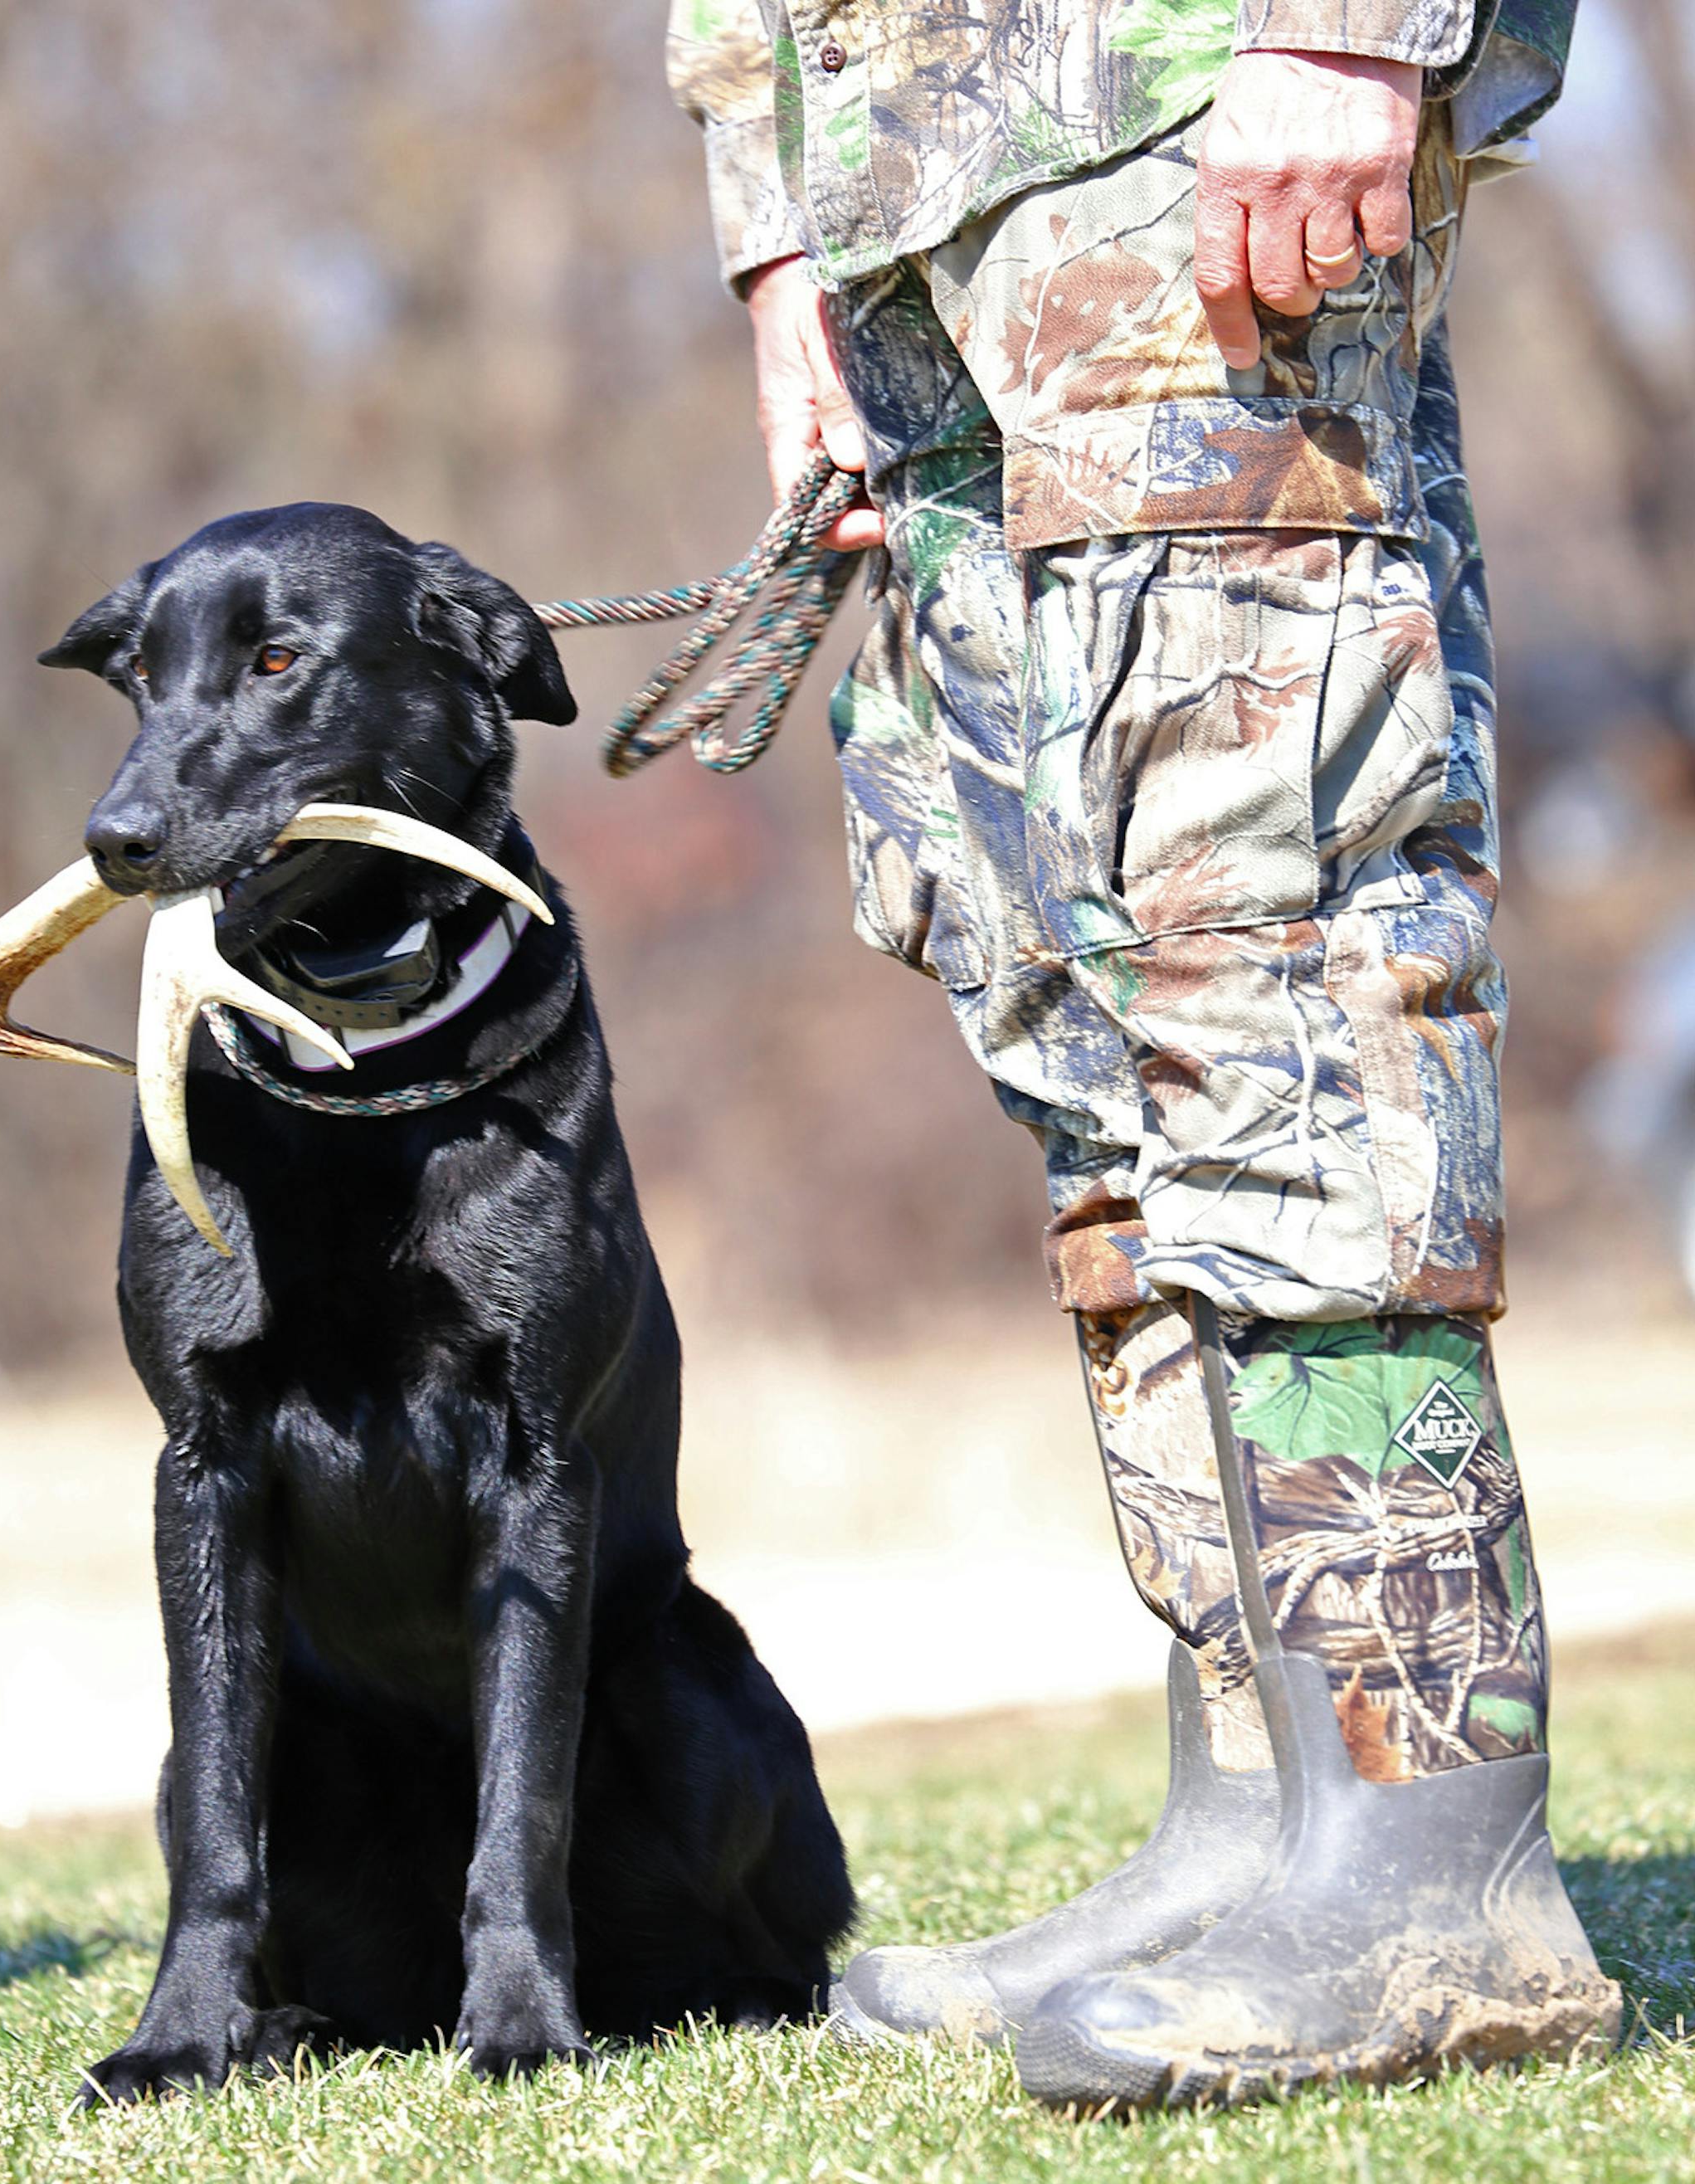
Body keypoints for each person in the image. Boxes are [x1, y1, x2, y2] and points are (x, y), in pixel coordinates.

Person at [668, 0, 1620, 2112]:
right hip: (908, 174)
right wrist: (779, 218)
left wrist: (1350, 31)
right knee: (1066, 980)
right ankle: (1257, 1819)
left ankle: (1429, 1849)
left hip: (1183, 93)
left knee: (1260, 914)